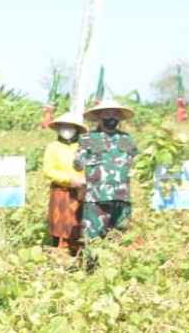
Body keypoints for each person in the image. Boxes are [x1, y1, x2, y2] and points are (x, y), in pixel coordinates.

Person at [74, 100, 138, 270]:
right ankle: (90, 272)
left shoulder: (126, 139)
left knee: (121, 237)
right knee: (92, 238)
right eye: (107, 113)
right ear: (98, 116)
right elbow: (78, 164)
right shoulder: (88, 139)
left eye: (115, 113)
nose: (112, 117)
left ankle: (118, 271)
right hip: (96, 197)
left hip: (122, 197)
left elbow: (132, 162)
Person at [42, 112, 88, 256]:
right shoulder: (52, 147)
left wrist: (83, 178)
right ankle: (57, 256)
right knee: (59, 225)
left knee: (77, 225)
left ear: (76, 129)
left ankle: (76, 259)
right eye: (63, 127)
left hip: (80, 192)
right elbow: (48, 171)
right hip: (60, 191)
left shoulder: (83, 148)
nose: (66, 129)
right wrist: (68, 179)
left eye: (70, 127)